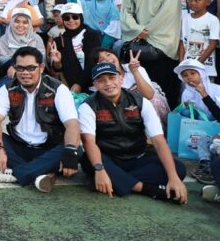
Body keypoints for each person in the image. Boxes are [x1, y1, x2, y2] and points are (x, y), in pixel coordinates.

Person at [79, 62, 187, 203]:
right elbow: (89, 142)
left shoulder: (141, 102)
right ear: (95, 85)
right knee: (88, 160)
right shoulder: (88, 106)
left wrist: (173, 178)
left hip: (137, 157)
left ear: (121, 78)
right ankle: (149, 189)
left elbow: (159, 141)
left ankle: (112, 180)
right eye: (101, 80)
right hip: (108, 158)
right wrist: (99, 169)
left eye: (112, 78)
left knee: (178, 170)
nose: (108, 83)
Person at [0, 46, 81, 192]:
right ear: (15, 68)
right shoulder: (8, 89)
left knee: (75, 149)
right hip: (19, 147)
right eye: (20, 68)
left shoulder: (58, 89)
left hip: (48, 148)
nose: (25, 73)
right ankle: (40, 171)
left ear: (41, 68)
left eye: (31, 68)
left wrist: (70, 151)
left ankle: (15, 174)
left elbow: (72, 124)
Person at [121, 0, 182, 108]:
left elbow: (168, 13)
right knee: (141, 89)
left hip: (161, 45)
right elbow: (126, 11)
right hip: (139, 43)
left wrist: (145, 30)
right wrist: (137, 30)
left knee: (163, 90)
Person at [48, 3, 102, 93]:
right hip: (71, 88)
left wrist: (79, 83)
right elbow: (57, 69)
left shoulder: (92, 35)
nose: (71, 20)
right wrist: (57, 62)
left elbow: (93, 61)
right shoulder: (59, 40)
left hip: (92, 86)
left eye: (75, 17)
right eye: (66, 18)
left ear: (81, 17)